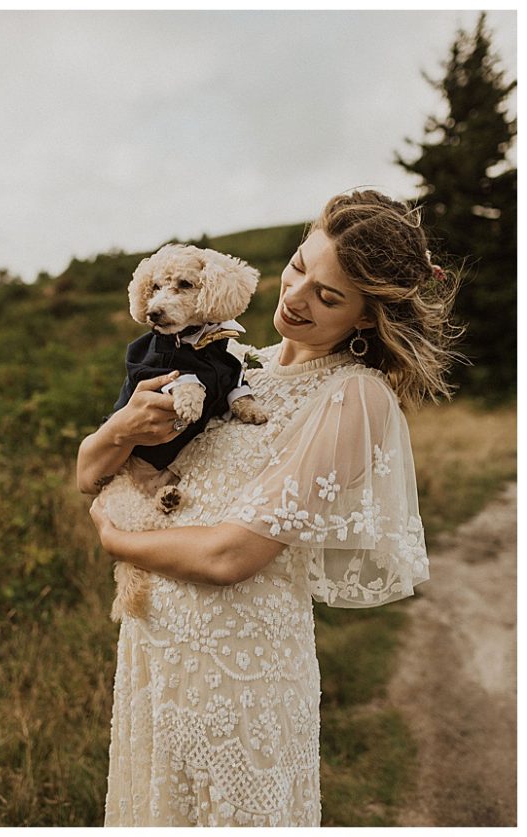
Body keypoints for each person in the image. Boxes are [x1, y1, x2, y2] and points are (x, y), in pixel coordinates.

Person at [76, 190, 461, 826]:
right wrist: (118, 431)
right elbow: (92, 477)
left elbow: (235, 554)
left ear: (367, 318)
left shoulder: (353, 400)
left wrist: (117, 543)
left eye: (329, 297)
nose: (296, 296)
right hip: (155, 651)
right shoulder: (236, 368)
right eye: (299, 266)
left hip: (240, 671)